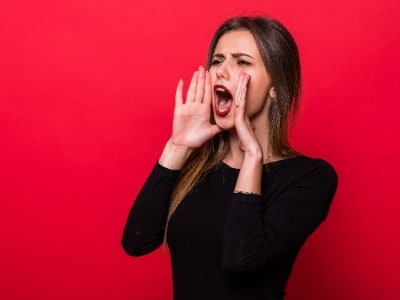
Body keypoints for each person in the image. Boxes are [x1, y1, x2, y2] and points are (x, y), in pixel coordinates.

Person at [122, 16, 338, 300]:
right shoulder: (197, 166)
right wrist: (177, 146)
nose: (221, 72)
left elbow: (240, 260)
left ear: (276, 86)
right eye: (217, 60)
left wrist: (252, 158)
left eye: (242, 62)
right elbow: (136, 241)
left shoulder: (309, 178)